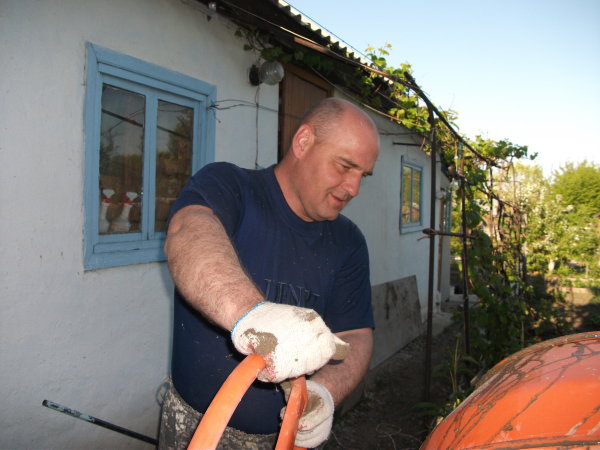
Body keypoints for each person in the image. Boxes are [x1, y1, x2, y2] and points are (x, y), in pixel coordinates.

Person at [159, 97, 380, 449]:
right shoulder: (230, 185)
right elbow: (189, 231)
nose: (354, 188)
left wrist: (325, 392)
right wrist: (252, 315)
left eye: (362, 176)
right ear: (303, 142)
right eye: (344, 166)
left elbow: (355, 334)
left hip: (289, 440)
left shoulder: (348, 242)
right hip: (197, 429)